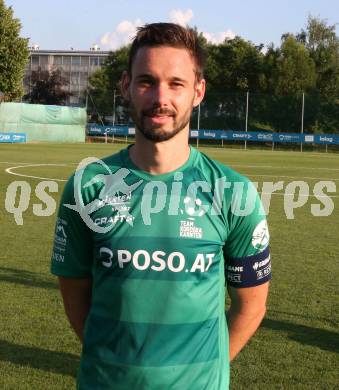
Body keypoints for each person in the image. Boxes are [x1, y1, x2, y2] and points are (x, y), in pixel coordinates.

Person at [51, 22, 271, 390]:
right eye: (146, 81)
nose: (160, 98)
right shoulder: (88, 187)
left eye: (176, 84)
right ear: (126, 86)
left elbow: (251, 306)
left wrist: (200, 372)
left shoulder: (233, 193)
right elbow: (75, 297)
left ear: (198, 92)